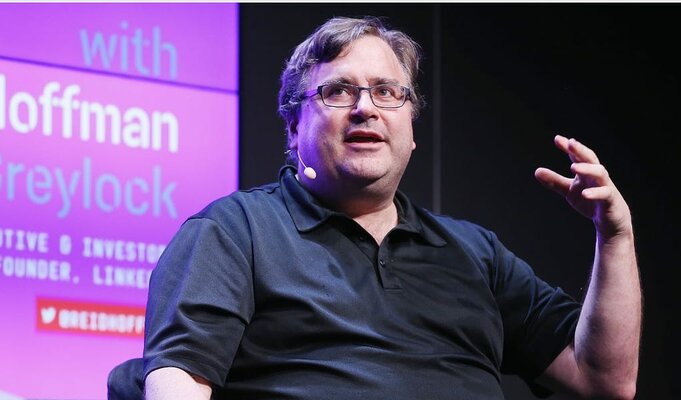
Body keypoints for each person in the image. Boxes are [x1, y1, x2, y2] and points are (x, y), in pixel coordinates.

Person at [142, 16, 641, 400]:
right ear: (294, 128)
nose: (366, 107)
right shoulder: (235, 231)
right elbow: (177, 381)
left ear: (410, 130)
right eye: (339, 91)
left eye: (386, 92)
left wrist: (615, 236)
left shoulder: (475, 254)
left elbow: (604, 379)